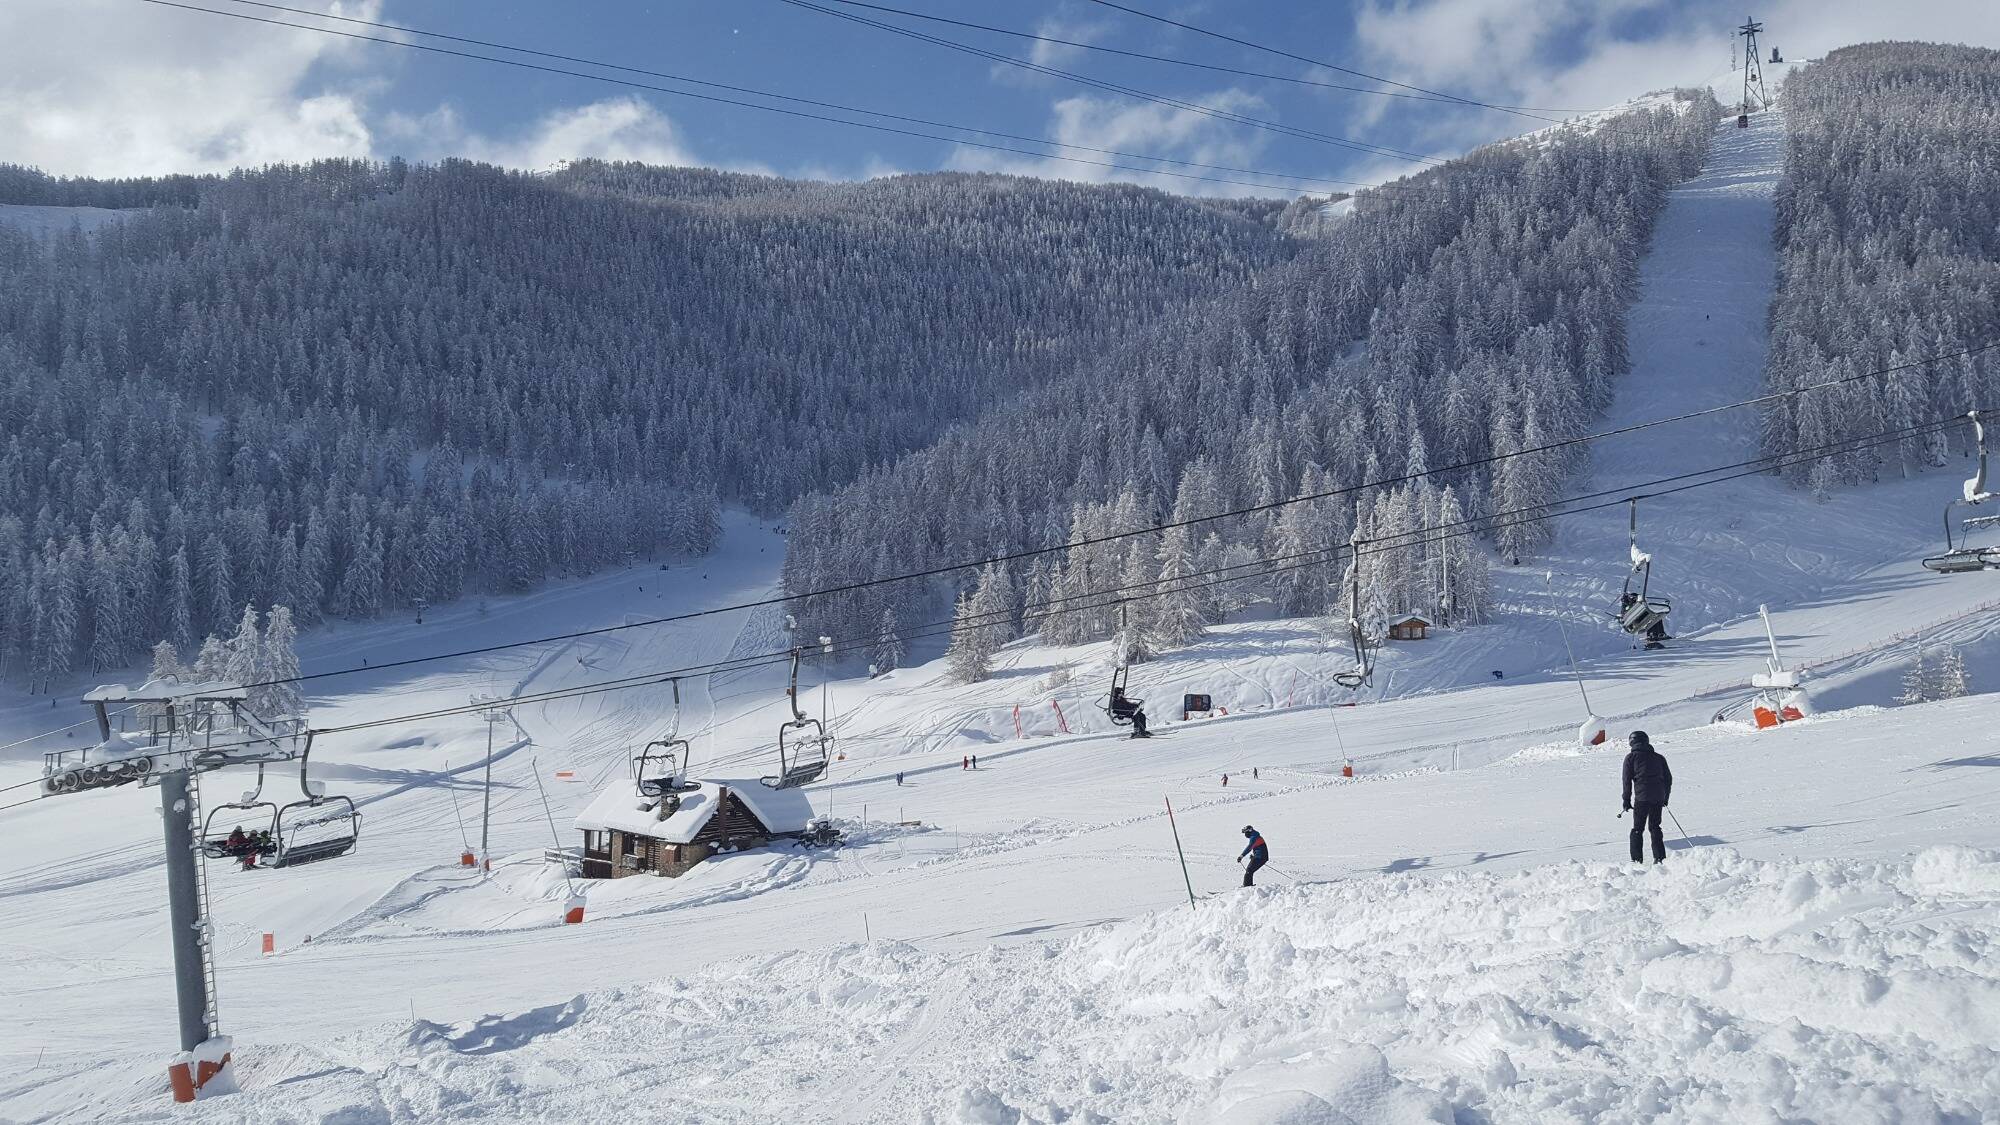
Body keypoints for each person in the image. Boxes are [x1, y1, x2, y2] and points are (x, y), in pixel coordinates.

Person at [1621, 730, 1674, 864]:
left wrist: (1626, 800)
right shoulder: (1659, 757)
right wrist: (1665, 798)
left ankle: (1636, 860)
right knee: (1655, 827)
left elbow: (1626, 780)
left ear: (1632, 742)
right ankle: (1659, 858)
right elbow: (1668, 779)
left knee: (1638, 828)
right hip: (1658, 797)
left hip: (1642, 798)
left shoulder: (1631, 758)